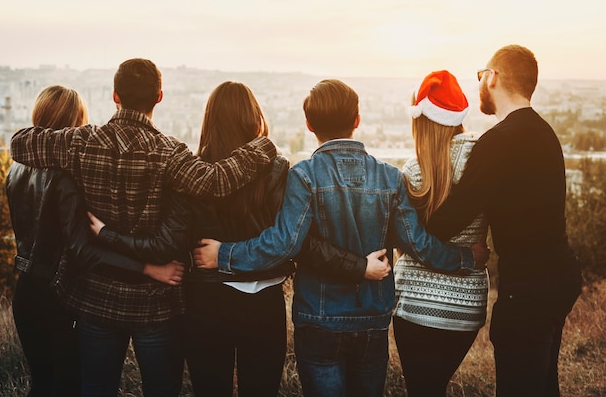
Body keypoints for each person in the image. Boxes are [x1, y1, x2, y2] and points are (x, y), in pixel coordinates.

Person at [86, 80, 391, 397]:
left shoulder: (191, 169)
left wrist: (112, 235)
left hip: (206, 299)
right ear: (254, 117)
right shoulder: (278, 170)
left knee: (210, 388)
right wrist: (355, 264)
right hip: (263, 302)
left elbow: (173, 240)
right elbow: (294, 240)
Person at [193, 79, 489, 397]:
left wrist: (223, 255)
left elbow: (283, 243)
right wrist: (466, 258)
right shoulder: (391, 178)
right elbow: (417, 244)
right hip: (372, 319)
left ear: (308, 125)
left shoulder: (303, 176)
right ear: (357, 120)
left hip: (318, 319)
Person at [8, 59, 278, 397]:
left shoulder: (81, 142)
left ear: (115, 96)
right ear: (159, 97)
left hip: (97, 298)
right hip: (155, 302)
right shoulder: (169, 152)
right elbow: (216, 181)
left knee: (95, 388)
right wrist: (262, 146)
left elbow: (19, 145)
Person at [5, 85, 185, 397]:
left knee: (43, 384)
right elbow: (82, 252)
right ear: (73, 122)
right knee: (68, 385)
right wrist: (147, 268)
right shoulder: (64, 178)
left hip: (26, 292)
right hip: (59, 294)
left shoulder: (16, 169)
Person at [426, 45, 582, 397]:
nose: (480, 82)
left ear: (492, 77)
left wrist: (410, 215)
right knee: (542, 385)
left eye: (480, 75)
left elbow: (450, 220)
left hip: (528, 290)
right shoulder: (546, 134)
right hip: (558, 278)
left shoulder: (497, 142)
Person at [392, 70, 490, 397]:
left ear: (421, 121)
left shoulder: (414, 170)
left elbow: (406, 244)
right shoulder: (483, 160)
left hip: (414, 304)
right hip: (466, 305)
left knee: (422, 388)